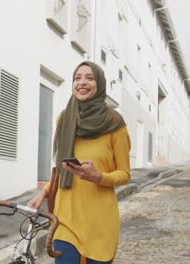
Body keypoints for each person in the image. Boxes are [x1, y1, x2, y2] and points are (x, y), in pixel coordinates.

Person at [28, 61, 131, 264]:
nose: (82, 82)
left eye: (89, 78)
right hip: (66, 219)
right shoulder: (64, 119)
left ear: (99, 84)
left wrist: (98, 176)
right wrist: (45, 192)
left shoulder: (114, 123)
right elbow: (62, 169)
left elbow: (125, 174)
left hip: (100, 222)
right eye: (77, 78)